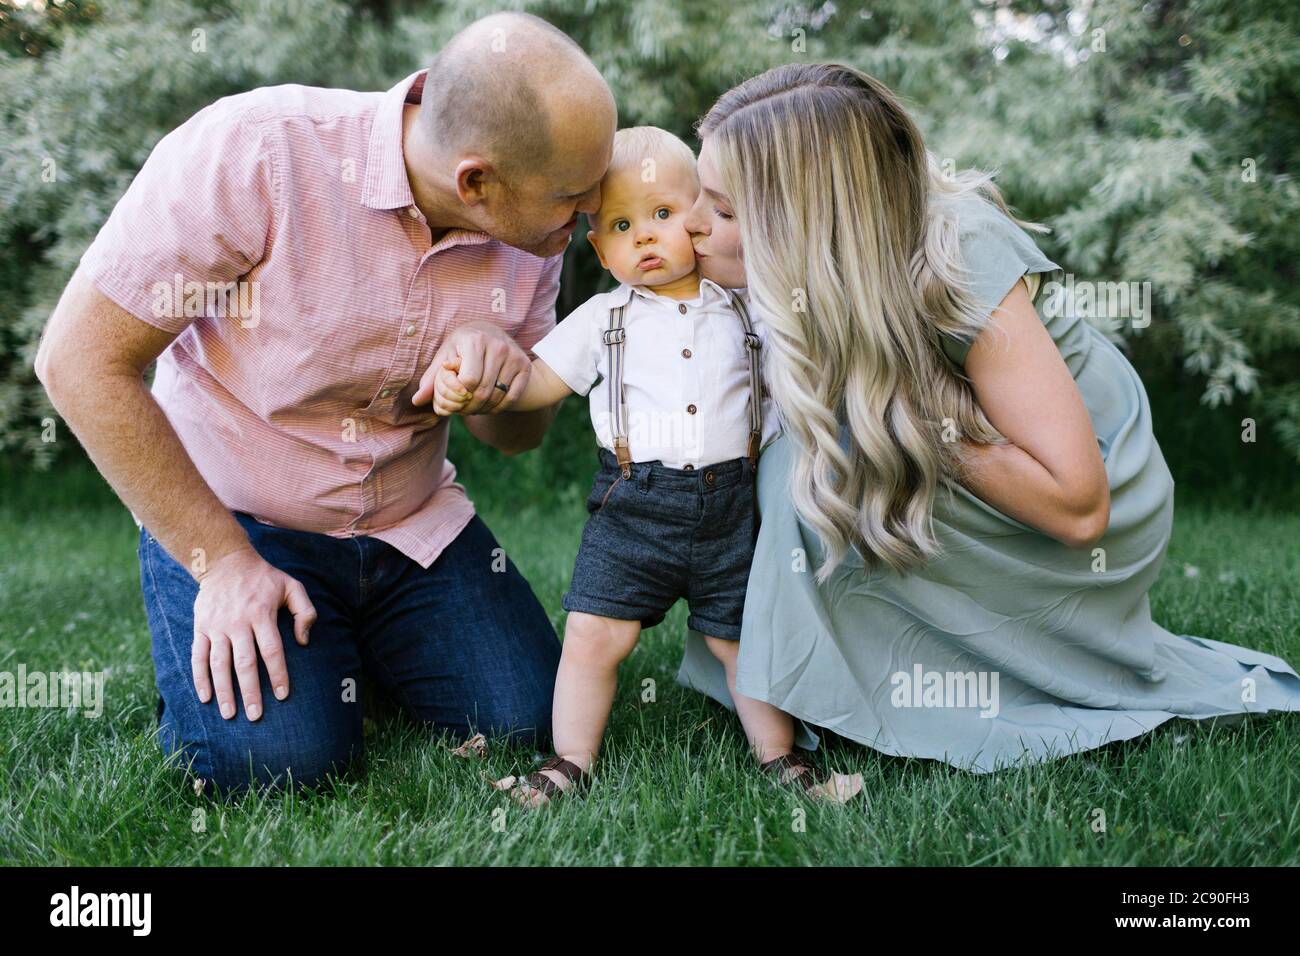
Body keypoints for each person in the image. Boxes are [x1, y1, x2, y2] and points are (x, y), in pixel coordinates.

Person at [33, 12, 617, 795]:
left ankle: (342, 651)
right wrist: (225, 566)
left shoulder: (533, 233)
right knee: (282, 765)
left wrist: (499, 376)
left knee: (532, 719)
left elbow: (513, 437)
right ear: (477, 180)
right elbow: (78, 362)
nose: (585, 223)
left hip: (410, 527)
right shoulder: (259, 149)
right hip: (242, 520)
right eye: (573, 201)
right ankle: (249, 635)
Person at [675, 62, 1300, 774]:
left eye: (724, 210)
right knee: (808, 450)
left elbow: (1078, 508)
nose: (693, 223)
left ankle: (889, 681)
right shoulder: (822, 279)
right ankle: (820, 676)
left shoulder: (960, 254)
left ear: (811, 221)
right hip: (995, 463)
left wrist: (900, 406)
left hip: (1085, 497)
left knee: (811, 461)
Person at [434, 127, 862, 803]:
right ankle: (570, 760)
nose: (645, 237)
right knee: (593, 636)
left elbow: (803, 380)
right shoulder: (604, 319)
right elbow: (536, 382)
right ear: (600, 249)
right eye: (621, 225)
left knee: (741, 640)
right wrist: (482, 388)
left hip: (731, 507)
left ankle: (781, 757)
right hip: (632, 510)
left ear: (698, 217)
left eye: (662, 215)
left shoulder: (748, 310)